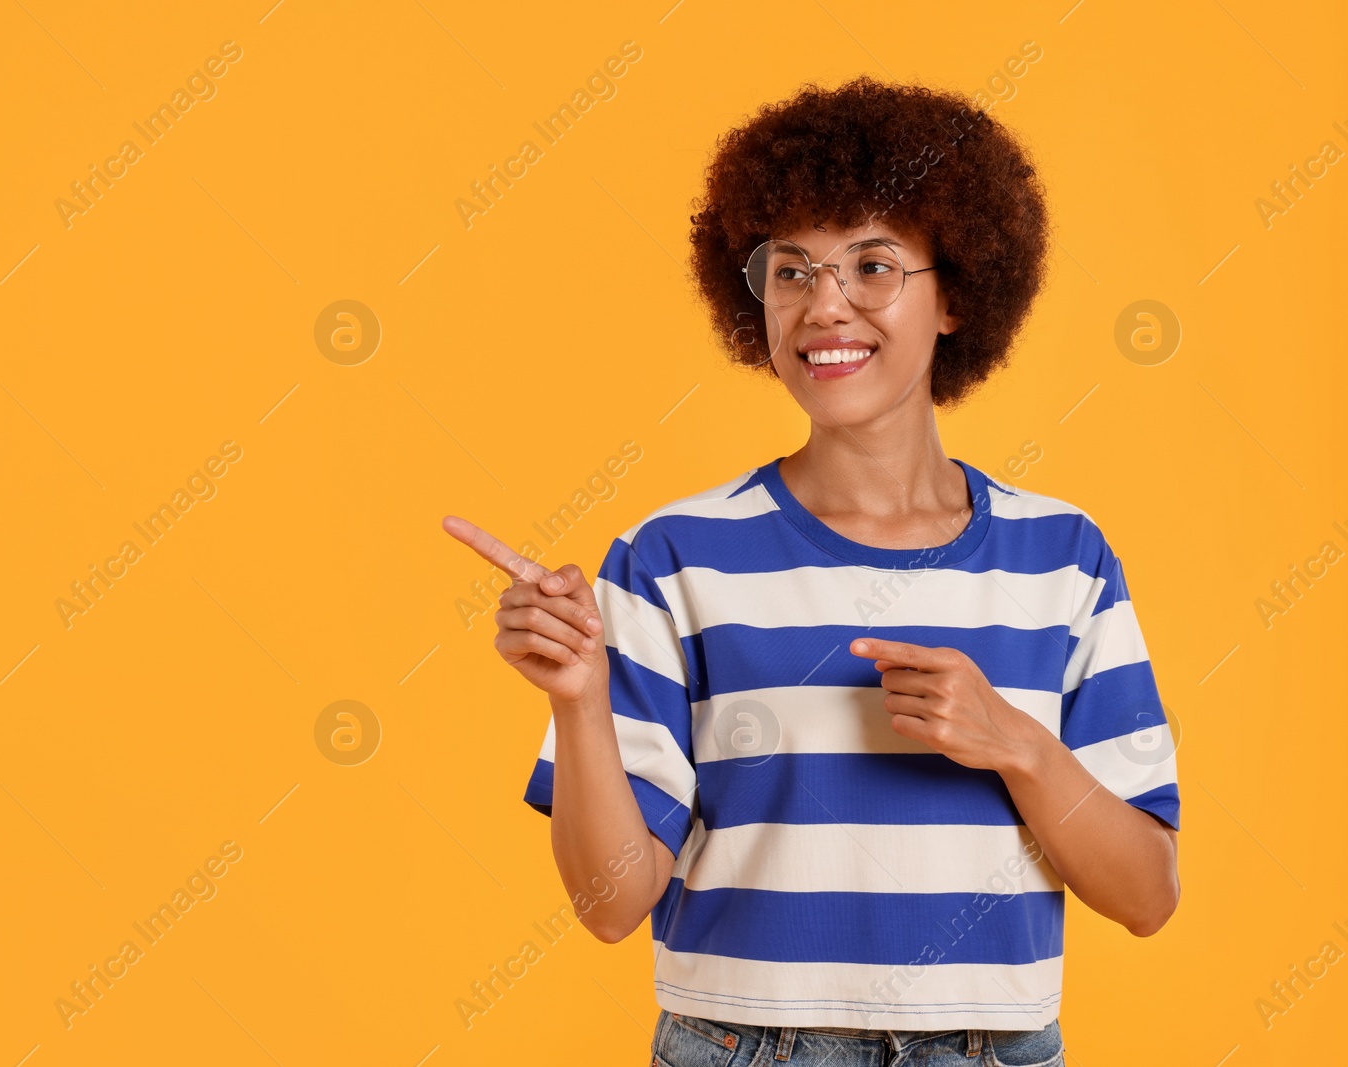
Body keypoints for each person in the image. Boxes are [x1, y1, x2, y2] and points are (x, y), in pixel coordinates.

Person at [443, 74, 1178, 1067]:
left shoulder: (1063, 557)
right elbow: (610, 903)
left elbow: (1146, 895)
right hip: (743, 1043)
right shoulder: (671, 556)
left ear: (955, 292)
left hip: (990, 1046)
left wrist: (1014, 741)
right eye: (790, 272)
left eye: (872, 266)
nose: (823, 306)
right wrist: (578, 701)